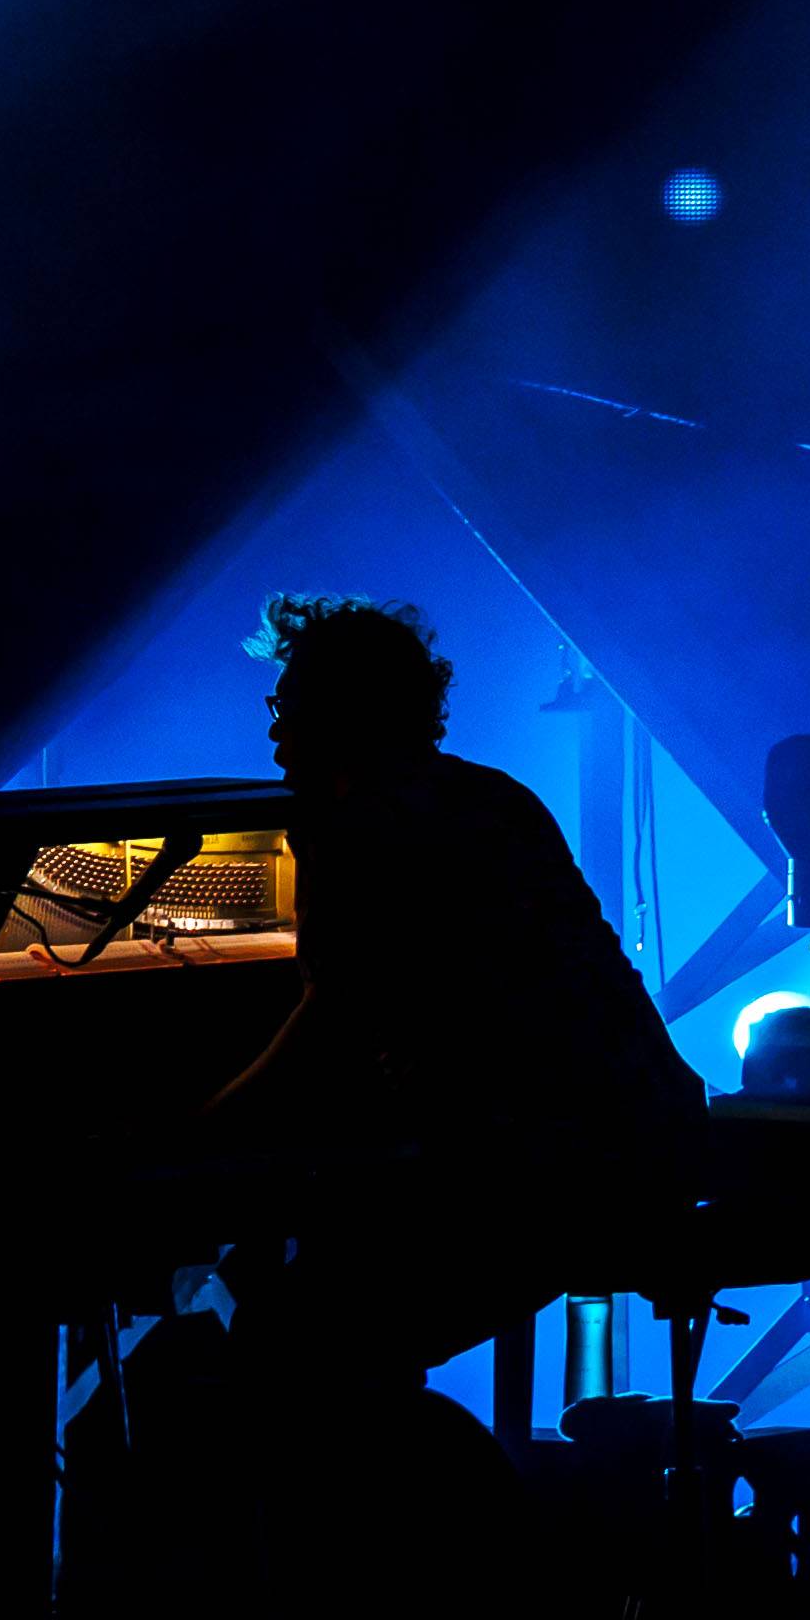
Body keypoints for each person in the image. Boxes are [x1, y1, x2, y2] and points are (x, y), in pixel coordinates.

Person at [200, 593, 709, 1385]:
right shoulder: (493, 797)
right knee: (295, 1304)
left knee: (290, 1344)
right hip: (639, 1139)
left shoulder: (363, 828)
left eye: (287, 709)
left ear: (343, 716)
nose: (274, 733)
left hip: (541, 1173)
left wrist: (195, 1129)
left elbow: (333, 1020)